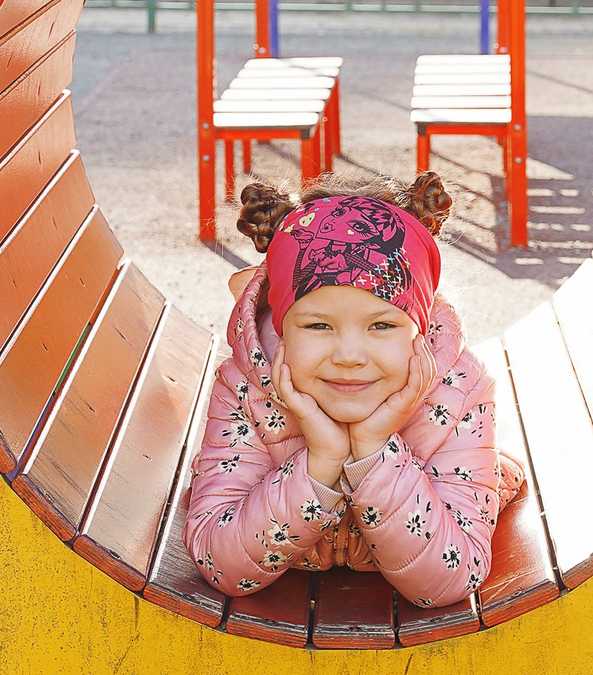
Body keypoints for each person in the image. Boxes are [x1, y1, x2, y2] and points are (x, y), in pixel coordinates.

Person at [186, 173, 524, 610]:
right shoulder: (247, 388)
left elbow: (451, 579)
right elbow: (220, 562)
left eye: (381, 325)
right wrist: (321, 462)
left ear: (418, 327)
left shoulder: (458, 392)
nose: (349, 356)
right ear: (283, 326)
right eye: (318, 326)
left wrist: (374, 450)